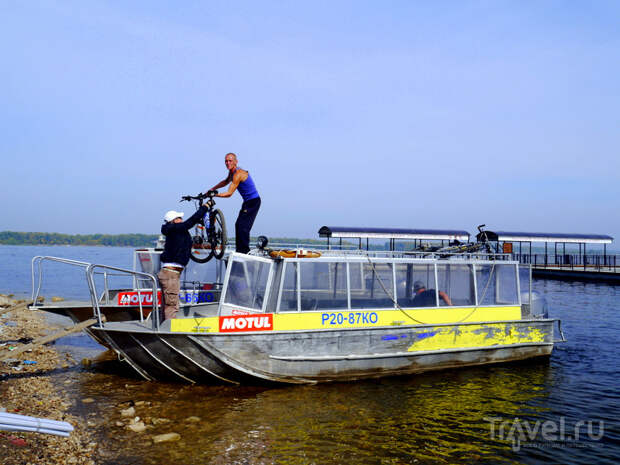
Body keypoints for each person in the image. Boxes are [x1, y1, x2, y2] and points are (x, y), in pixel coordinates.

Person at [158, 203, 209, 320]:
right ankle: (170, 332)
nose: (182, 219)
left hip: (170, 273)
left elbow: (185, 239)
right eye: (179, 218)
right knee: (172, 305)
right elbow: (190, 222)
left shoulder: (175, 231)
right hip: (171, 274)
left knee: (167, 303)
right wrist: (204, 208)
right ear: (174, 220)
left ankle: (163, 326)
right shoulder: (175, 229)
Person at [206, 153, 260, 254]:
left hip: (253, 202)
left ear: (236, 162)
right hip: (247, 202)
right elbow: (225, 181)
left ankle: (244, 252)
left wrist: (215, 195)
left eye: (230, 161)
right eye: (226, 161)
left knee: (243, 226)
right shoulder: (232, 173)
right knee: (238, 225)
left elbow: (229, 193)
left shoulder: (238, 174)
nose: (227, 163)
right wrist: (213, 189)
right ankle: (240, 251)